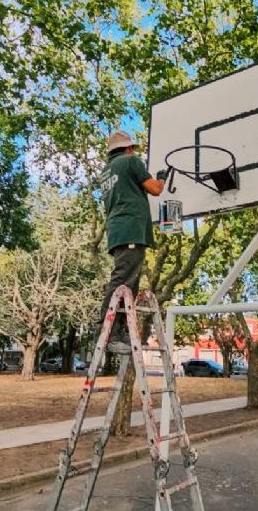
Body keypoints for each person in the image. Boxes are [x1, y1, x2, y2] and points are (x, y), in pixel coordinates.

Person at [97, 130, 166, 354]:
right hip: (131, 230)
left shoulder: (106, 172)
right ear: (128, 148)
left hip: (118, 231)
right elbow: (155, 189)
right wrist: (162, 178)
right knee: (121, 281)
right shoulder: (131, 162)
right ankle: (107, 333)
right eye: (133, 148)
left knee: (129, 285)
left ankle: (123, 330)